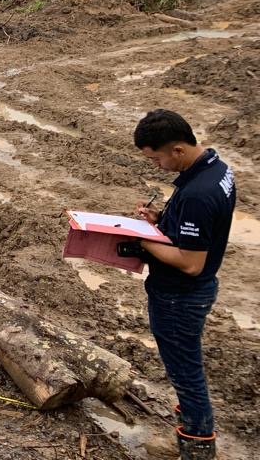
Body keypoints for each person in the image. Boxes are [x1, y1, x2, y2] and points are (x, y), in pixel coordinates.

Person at [119, 110, 234, 460]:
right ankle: (191, 420)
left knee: (186, 372)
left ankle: (197, 446)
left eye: (157, 158)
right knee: (185, 368)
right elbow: (199, 230)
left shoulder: (198, 193)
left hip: (179, 298)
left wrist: (141, 241)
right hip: (190, 293)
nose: (156, 166)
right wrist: (161, 222)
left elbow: (190, 261)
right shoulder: (217, 170)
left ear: (179, 149)